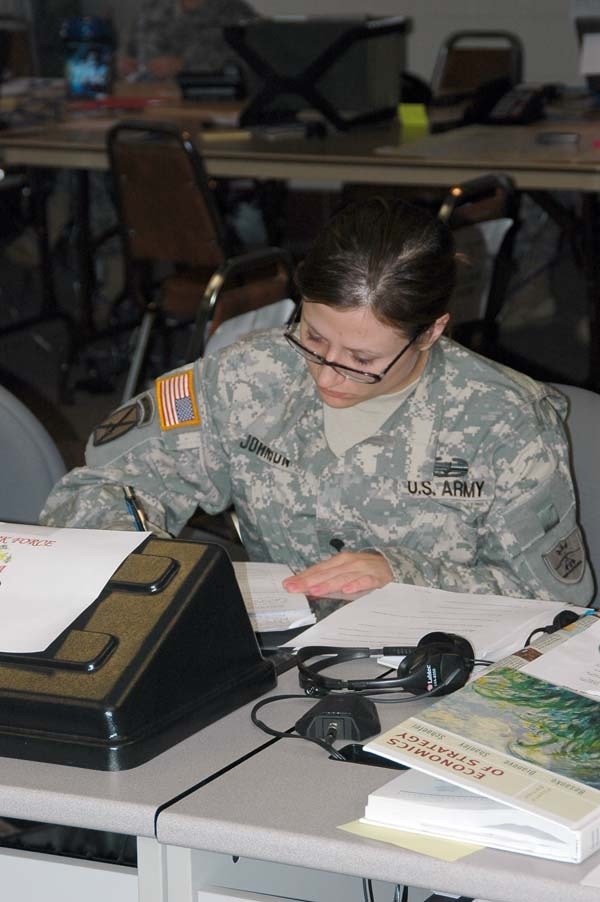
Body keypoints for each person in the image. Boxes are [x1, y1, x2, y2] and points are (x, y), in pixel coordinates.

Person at [40, 197, 593, 606]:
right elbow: (100, 488)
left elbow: (555, 604)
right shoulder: (247, 374)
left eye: (362, 359)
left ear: (430, 333)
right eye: (313, 338)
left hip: (438, 670)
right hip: (277, 658)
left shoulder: (504, 420)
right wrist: (153, 580)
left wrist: (402, 573)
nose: (329, 375)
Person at [118, 0, 257, 81]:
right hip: (147, 108)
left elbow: (254, 66)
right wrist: (124, 64)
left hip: (212, 108)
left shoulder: (236, 12)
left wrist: (185, 65)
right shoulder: (151, 8)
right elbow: (127, 50)